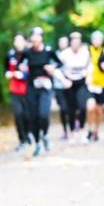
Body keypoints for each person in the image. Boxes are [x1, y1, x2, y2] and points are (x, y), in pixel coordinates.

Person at [25, 27, 68, 157]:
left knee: (43, 115)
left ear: (42, 38)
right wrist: (21, 68)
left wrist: (52, 67)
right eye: (33, 37)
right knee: (33, 116)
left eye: (38, 37)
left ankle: (46, 135)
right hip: (32, 87)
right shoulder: (28, 53)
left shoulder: (48, 51)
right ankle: (37, 142)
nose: (35, 40)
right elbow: (18, 65)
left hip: (46, 87)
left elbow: (60, 63)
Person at [59, 31, 92, 143]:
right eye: (73, 40)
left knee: (83, 107)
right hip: (69, 83)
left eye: (78, 40)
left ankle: (82, 133)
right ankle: (72, 134)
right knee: (71, 110)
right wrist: (63, 80)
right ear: (70, 42)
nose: (76, 43)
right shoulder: (64, 54)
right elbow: (58, 69)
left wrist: (89, 76)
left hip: (81, 82)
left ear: (80, 42)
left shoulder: (85, 53)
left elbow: (90, 66)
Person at [86, 30, 104, 142]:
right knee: (90, 107)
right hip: (89, 84)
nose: (96, 41)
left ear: (102, 41)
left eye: (98, 39)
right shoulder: (87, 50)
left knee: (99, 110)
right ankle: (89, 130)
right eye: (94, 39)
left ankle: (96, 132)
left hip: (102, 84)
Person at [4, 33, 31, 151]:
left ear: (25, 42)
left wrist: (24, 75)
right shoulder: (10, 54)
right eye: (16, 41)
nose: (18, 43)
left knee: (27, 114)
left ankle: (29, 134)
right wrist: (7, 73)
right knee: (18, 114)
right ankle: (22, 140)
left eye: (20, 40)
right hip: (14, 89)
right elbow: (5, 67)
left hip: (28, 89)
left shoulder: (30, 54)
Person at [53, 35, 72, 140]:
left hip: (70, 86)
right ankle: (65, 130)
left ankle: (74, 125)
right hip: (59, 86)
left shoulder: (72, 54)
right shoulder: (55, 55)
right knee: (63, 109)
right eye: (61, 42)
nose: (62, 44)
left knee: (72, 108)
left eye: (64, 42)